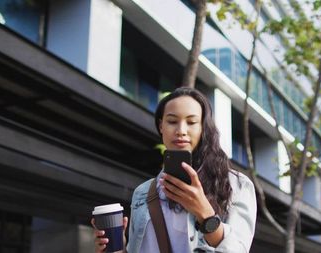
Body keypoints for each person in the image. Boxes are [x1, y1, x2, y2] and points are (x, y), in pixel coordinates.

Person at [92, 87, 257, 252]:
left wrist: (204, 213)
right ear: (161, 126)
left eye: (191, 122)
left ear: (203, 128)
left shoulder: (236, 185)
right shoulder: (143, 193)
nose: (181, 131)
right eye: (172, 121)